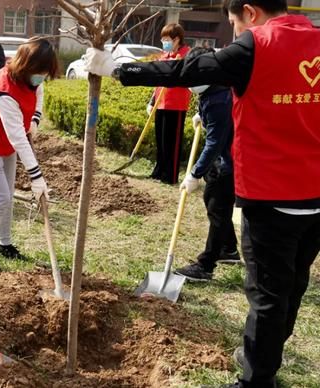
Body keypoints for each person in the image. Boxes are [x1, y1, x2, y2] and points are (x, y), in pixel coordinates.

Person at [114, 1, 320, 387]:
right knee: (293, 284)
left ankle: (257, 380)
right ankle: (265, 353)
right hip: (315, 195)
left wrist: (120, 70)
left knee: (268, 296)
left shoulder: (257, 45)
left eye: (234, 23)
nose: (236, 31)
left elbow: (186, 69)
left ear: (250, 12)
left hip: (272, 195)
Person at [0, 37, 57, 272]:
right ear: (26, 66)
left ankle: (5, 244)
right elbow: (17, 136)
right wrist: (36, 177)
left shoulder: (32, 78)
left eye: (44, 73)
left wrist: (35, 119)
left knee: (8, 196)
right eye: (40, 72)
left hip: (6, 147)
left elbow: (39, 92)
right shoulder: (3, 89)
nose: (42, 78)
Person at [174, 47, 241, 282]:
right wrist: (202, 114)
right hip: (226, 157)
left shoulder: (220, 99)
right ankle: (229, 249)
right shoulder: (217, 86)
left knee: (218, 210)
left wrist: (194, 173)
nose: (191, 83)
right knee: (214, 203)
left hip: (229, 163)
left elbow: (214, 143)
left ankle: (206, 265)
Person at [147, 23, 191, 184]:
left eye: (166, 39)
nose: (164, 43)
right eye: (162, 39)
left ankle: (170, 175)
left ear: (177, 39)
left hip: (177, 104)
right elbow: (158, 81)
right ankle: (159, 170)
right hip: (161, 103)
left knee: (172, 141)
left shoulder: (186, 55)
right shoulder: (164, 56)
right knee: (161, 140)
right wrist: (152, 101)